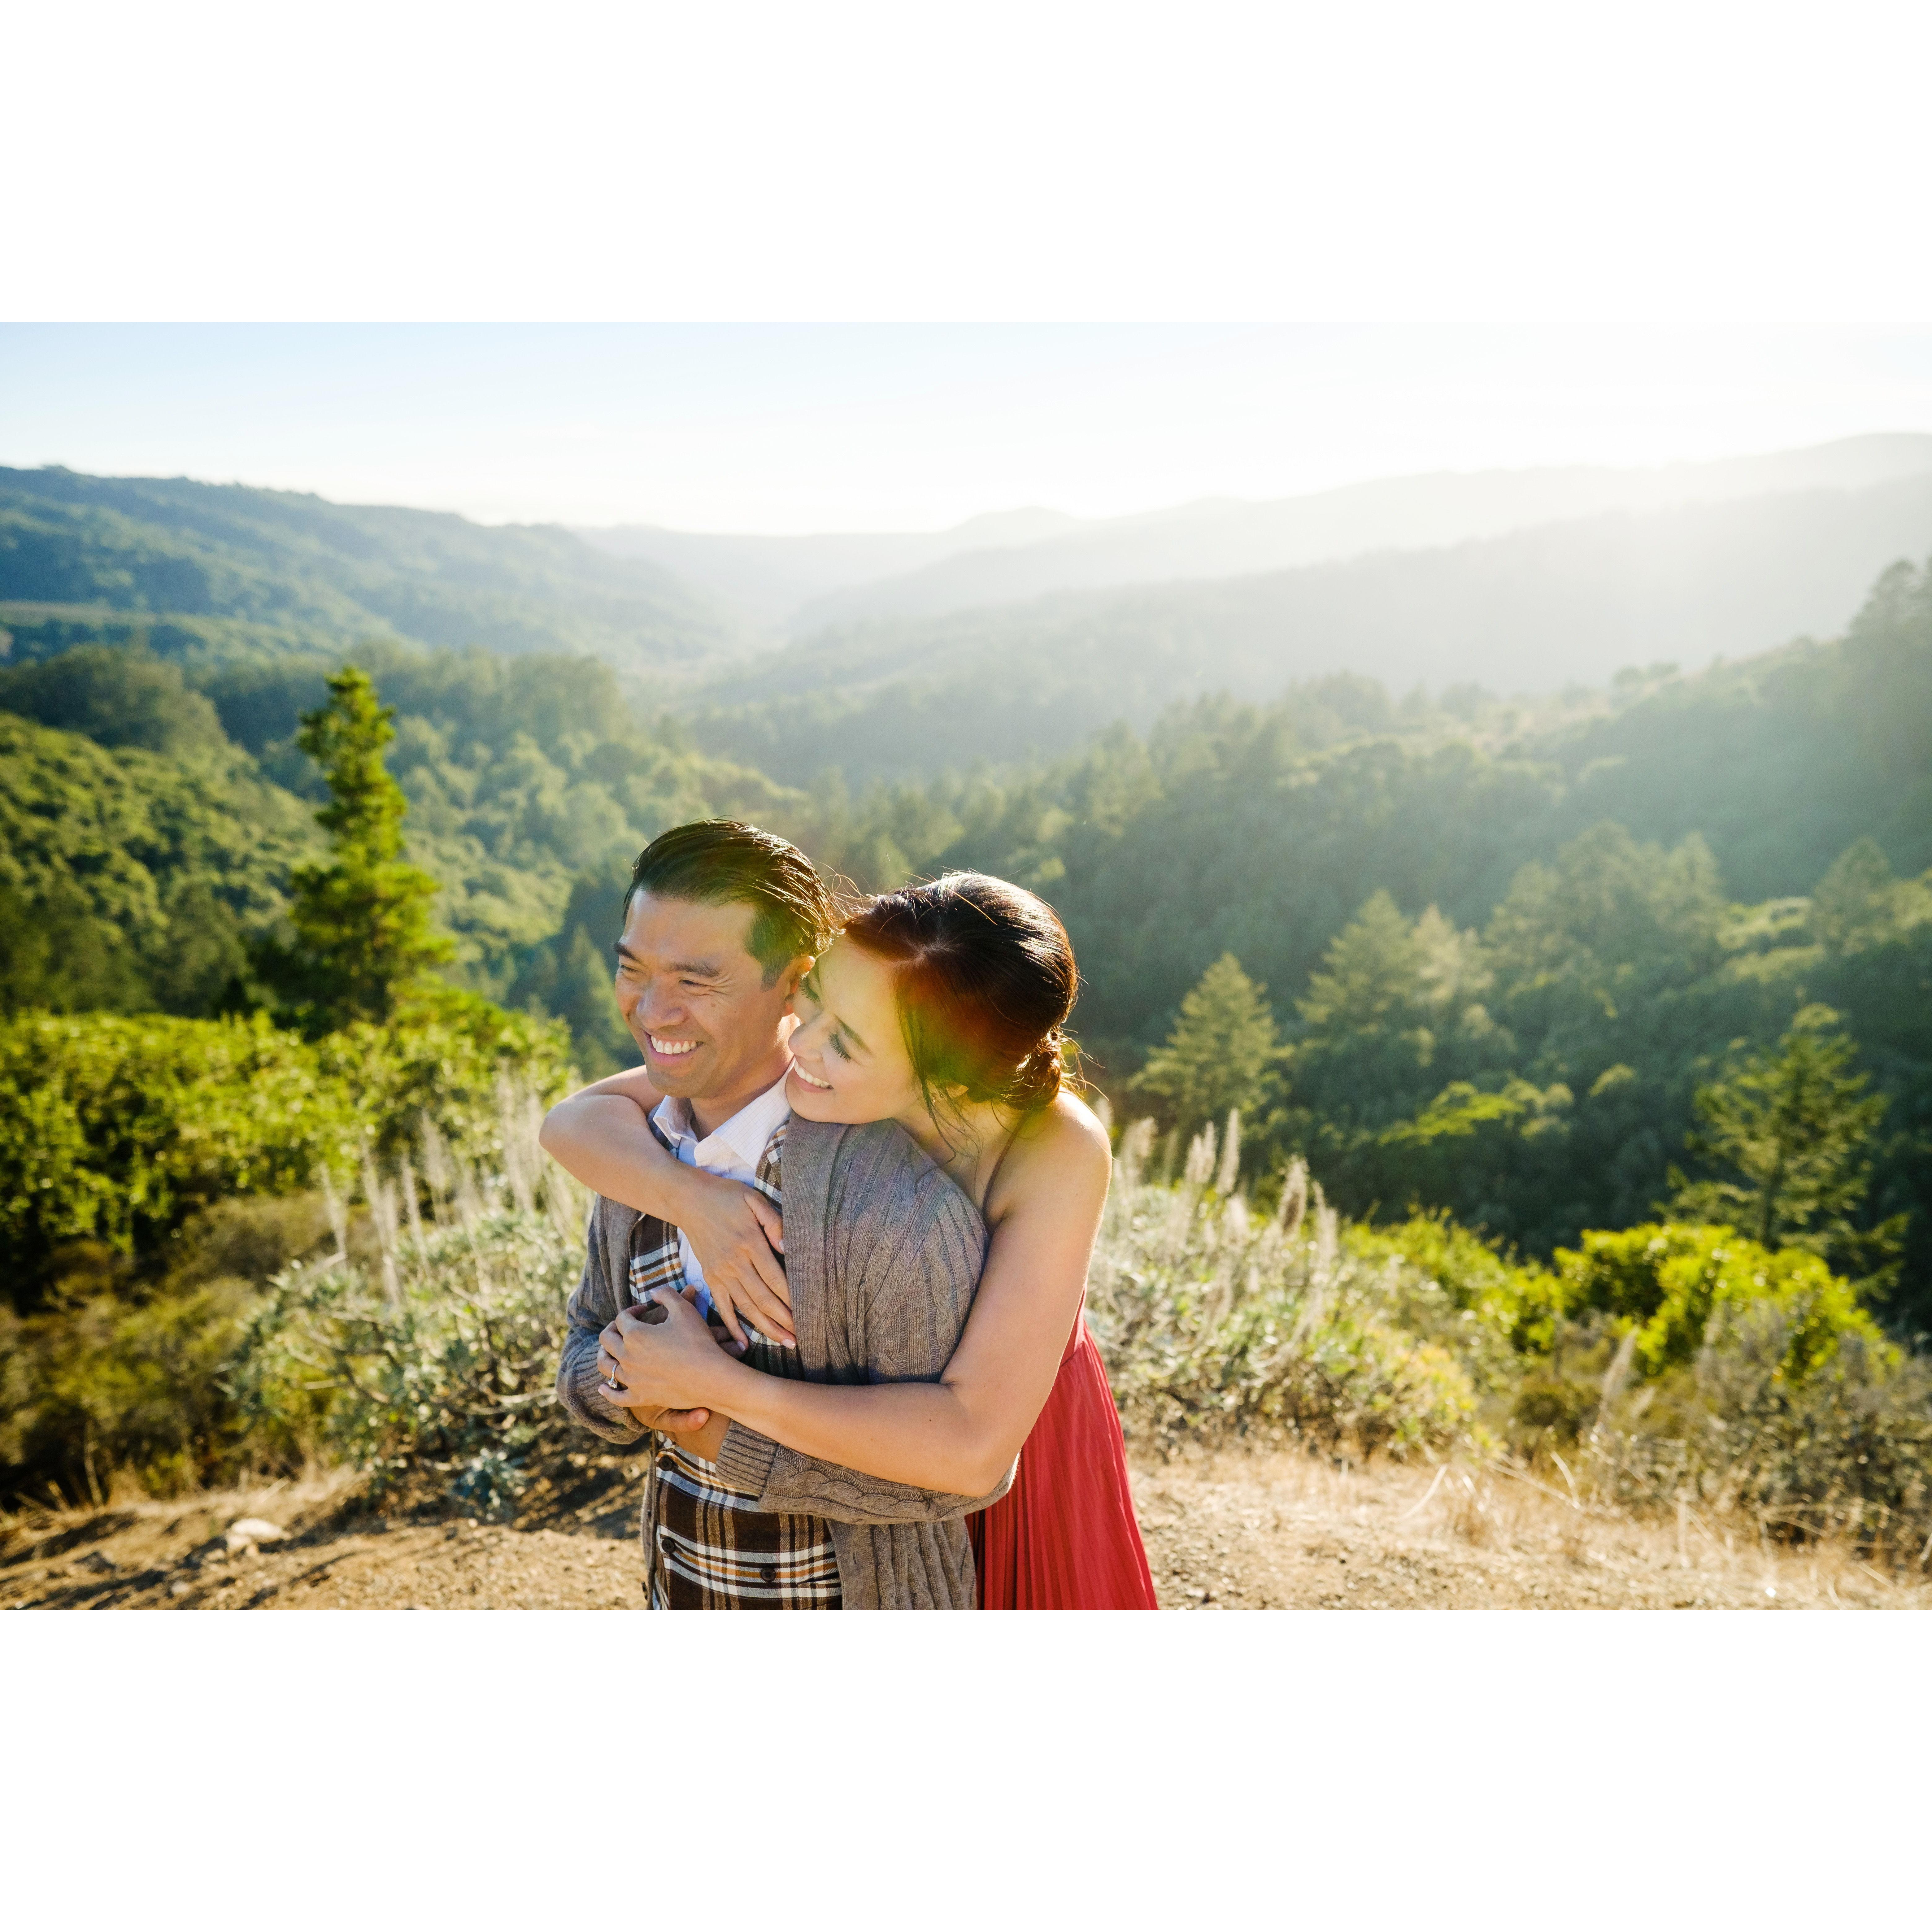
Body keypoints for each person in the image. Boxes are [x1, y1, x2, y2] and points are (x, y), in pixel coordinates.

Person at [545, 862, 1159, 1610]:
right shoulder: (821, 1068)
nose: (801, 1044)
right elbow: (574, 1122)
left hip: (1011, 1438)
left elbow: (972, 1447)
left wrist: (716, 1385)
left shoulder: (1053, 1149)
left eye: (848, 1043)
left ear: (954, 1081)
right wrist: (697, 1201)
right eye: (819, 1000)